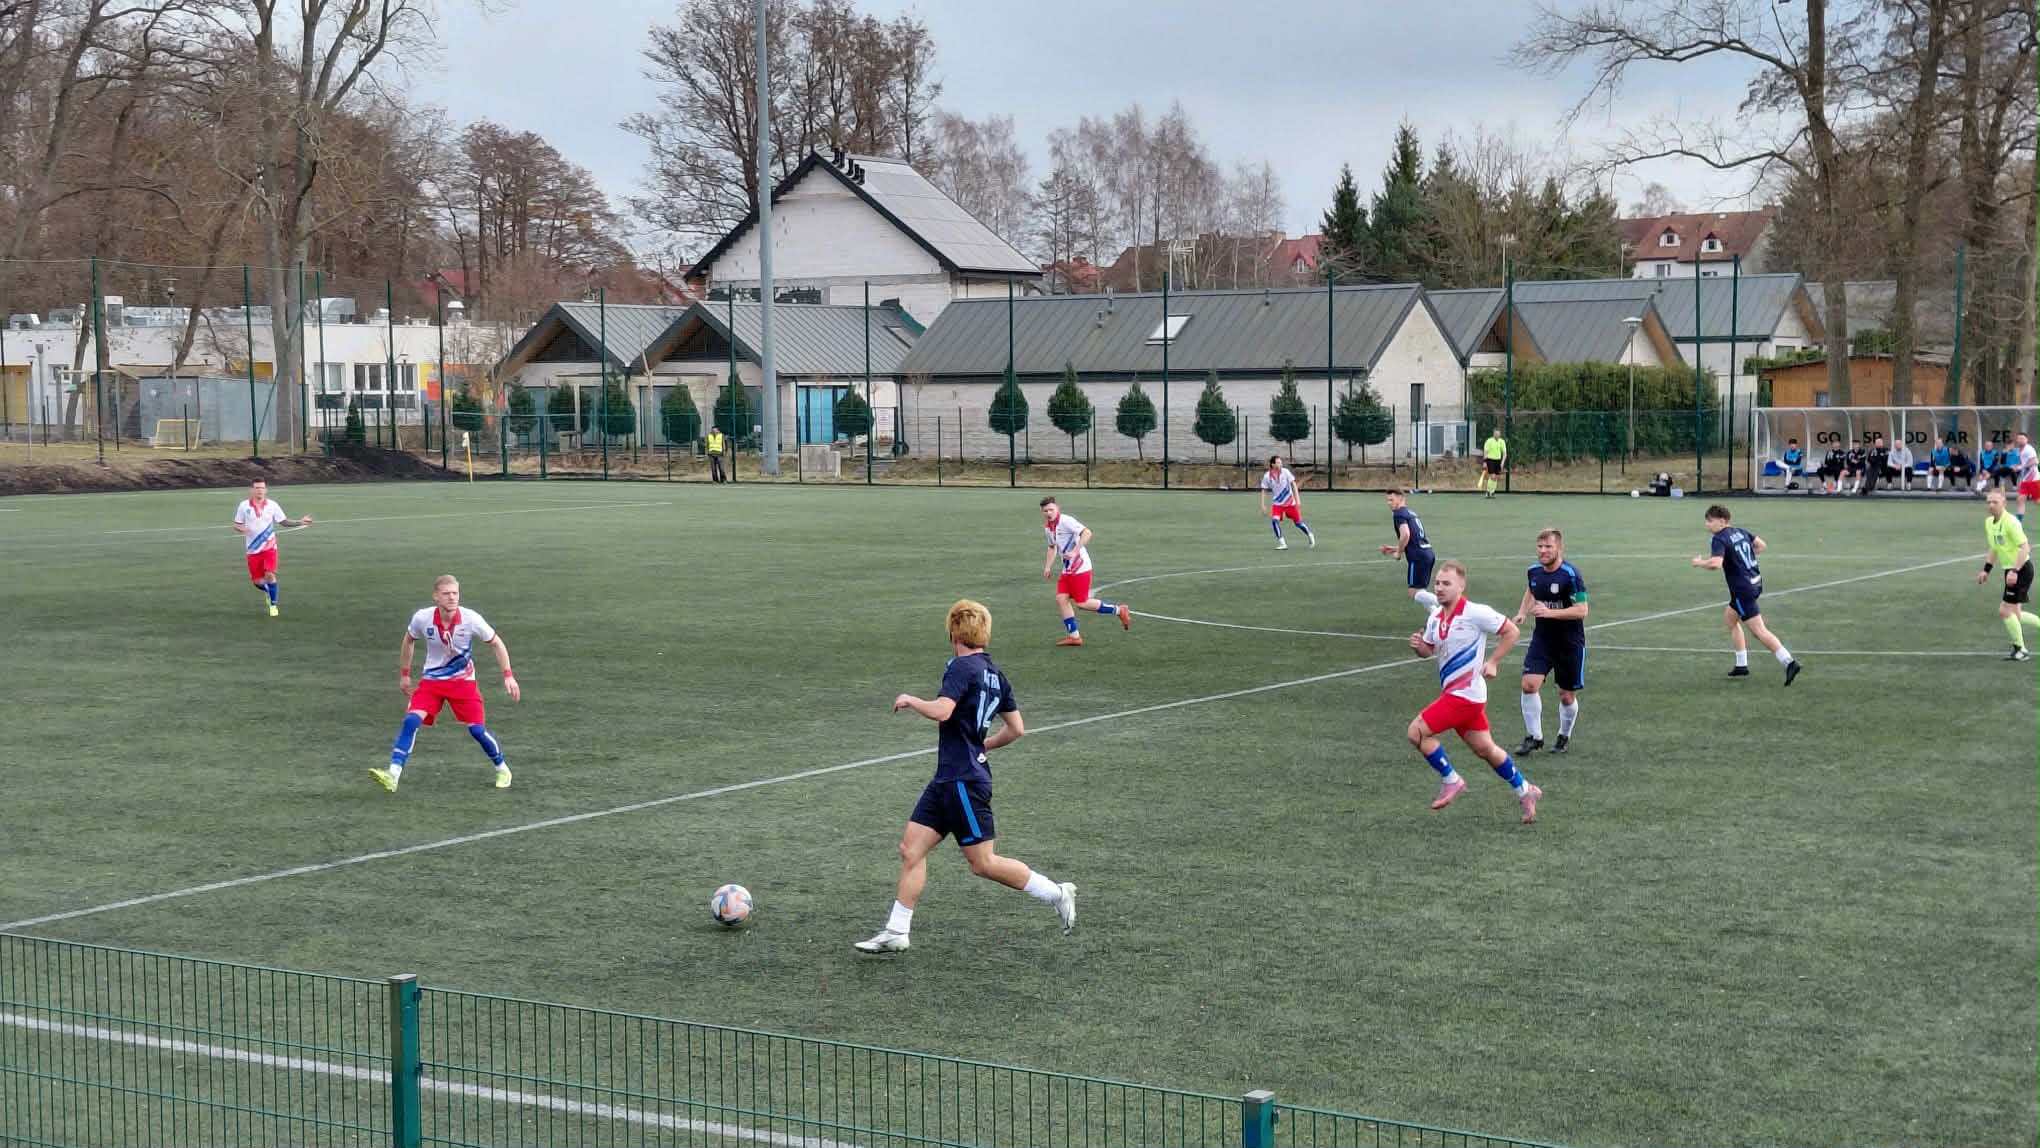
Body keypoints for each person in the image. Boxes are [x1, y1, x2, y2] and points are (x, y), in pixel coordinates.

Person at [854, 599, 1076, 953]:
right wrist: (984, 744)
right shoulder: (995, 675)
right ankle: (897, 931)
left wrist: (912, 700)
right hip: (948, 778)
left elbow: (943, 711)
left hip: (964, 782)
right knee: (911, 850)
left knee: (983, 864)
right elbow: (1017, 728)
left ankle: (1056, 893)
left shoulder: (960, 666)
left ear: (954, 633)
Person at [1404, 561, 1541, 824]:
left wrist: (1494, 662)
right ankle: (1526, 791)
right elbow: (1428, 651)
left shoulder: (1476, 613)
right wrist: (1419, 646)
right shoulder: (1435, 617)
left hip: (1464, 696)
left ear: (1461, 586)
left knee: (1417, 732)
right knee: (1486, 749)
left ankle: (1451, 780)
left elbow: (1511, 631)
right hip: (1462, 696)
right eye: (1437, 583)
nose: (1440, 588)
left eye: (1446, 584)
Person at [371, 575, 520, 793]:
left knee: (477, 730)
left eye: (455, 593)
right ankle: (393, 774)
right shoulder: (423, 618)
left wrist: (508, 675)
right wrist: (405, 674)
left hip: (463, 683)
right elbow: (409, 640)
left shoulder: (471, 619)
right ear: (436, 597)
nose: (452, 598)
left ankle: (502, 768)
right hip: (432, 682)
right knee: (411, 721)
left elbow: (496, 643)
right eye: (446, 594)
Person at [1692, 506, 1802, 685]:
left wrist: (1699, 563)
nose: (1707, 525)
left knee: (1759, 631)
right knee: (1730, 618)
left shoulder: (1719, 538)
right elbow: (1761, 545)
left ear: (1722, 521)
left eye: (1710, 521)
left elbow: (1715, 564)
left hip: (1742, 590)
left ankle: (1789, 662)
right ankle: (1741, 664)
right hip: (1755, 582)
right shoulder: (1741, 532)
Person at [1512, 529, 1588, 755]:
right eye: (1540, 546)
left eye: (1548, 547)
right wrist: (1522, 612)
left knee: (1566, 696)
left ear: (1559, 549)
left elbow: (1582, 610)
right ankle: (1534, 737)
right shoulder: (1533, 571)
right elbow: (1531, 589)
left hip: (1569, 643)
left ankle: (1564, 735)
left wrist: (1549, 613)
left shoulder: (1571, 575)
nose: (1543, 551)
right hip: (1543, 640)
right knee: (1529, 684)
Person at [1040, 497, 1131, 647]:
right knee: (1061, 599)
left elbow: (1087, 533)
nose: (1049, 513)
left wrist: (1075, 551)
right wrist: (1047, 566)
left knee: (1082, 603)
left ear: (1057, 509)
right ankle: (1074, 637)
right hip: (1067, 569)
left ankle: (1119, 610)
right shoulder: (1048, 528)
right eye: (1045, 511)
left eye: (1051, 509)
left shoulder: (1066, 521)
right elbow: (1052, 547)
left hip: (1080, 567)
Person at [231, 479, 312, 617]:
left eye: (262, 488)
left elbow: (283, 522)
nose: (259, 490)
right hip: (252, 549)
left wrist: (300, 522)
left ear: (266, 490)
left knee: (269, 574)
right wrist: (243, 529)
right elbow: (236, 524)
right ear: (252, 490)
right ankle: (269, 591)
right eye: (257, 488)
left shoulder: (272, 505)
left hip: (269, 546)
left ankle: (273, 605)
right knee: (257, 582)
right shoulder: (244, 506)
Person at [1977, 491, 2039, 661]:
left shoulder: (2011, 522)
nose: (1991, 505)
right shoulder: (1989, 522)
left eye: (1995, 502)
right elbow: (1994, 548)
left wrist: (2015, 571)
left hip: (2021, 569)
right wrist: (1986, 570)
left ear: (2004, 503)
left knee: (2005, 610)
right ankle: (2020, 649)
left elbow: (2025, 547)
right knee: (2016, 614)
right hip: (2011, 571)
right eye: (1988, 502)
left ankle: (2021, 650)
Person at [1379, 488, 1436, 599]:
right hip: (1427, 553)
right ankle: (1439, 609)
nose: (1389, 503)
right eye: (1388, 500)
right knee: (1421, 591)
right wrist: (1394, 549)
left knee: (1413, 592)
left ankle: (1446, 603)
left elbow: (1405, 534)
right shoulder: (1411, 513)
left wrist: (1399, 553)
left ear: (1401, 498)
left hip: (1417, 557)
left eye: (1391, 500)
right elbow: (1413, 541)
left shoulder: (1398, 514)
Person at [1258, 454, 1316, 551]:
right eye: (1278, 462)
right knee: (1274, 521)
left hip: (1290, 502)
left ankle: (1310, 534)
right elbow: (1264, 490)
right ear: (1272, 464)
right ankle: (1282, 543)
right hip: (1277, 504)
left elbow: (1294, 484)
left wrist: (1297, 499)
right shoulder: (1267, 476)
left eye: (1281, 462)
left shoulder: (1285, 472)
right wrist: (1263, 505)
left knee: (1298, 523)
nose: (1280, 464)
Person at [2011, 432, 2037, 520]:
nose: (2020, 440)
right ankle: (2018, 521)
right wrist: (2017, 466)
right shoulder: (2020, 450)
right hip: (2026, 479)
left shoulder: (2029, 449)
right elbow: (2025, 463)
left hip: (2033, 478)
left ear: (2027, 440)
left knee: (2037, 500)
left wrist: (2021, 467)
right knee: (2020, 499)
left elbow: (2035, 461)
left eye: (2022, 438)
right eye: (2019, 438)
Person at [1479, 428, 1508, 499]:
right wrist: (1485, 462)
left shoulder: (1502, 441)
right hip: (1490, 460)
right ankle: (1488, 492)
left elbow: (1504, 454)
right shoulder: (1489, 441)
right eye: (1495, 434)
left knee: (1496, 477)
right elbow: (1485, 452)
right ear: (1493, 434)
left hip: (1498, 460)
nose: (1497, 435)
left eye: (1498, 434)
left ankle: (1492, 492)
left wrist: (1502, 463)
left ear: (1500, 434)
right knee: (1492, 476)